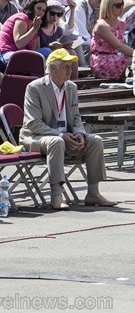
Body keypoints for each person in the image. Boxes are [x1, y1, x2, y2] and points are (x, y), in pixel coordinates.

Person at [19, 50, 115, 210]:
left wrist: (80, 133)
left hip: (65, 136)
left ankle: (93, 193)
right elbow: (33, 123)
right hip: (36, 137)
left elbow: (76, 117)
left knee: (95, 140)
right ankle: (56, 195)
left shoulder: (71, 87)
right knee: (56, 142)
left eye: (70, 66)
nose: (70, 70)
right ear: (52, 69)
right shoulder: (34, 88)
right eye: (65, 66)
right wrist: (61, 135)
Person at [90, 0, 133, 79]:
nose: (121, 7)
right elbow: (118, 46)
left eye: (122, 4)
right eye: (118, 5)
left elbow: (124, 44)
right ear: (108, 7)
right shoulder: (102, 25)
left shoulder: (121, 23)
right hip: (102, 61)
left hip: (116, 58)